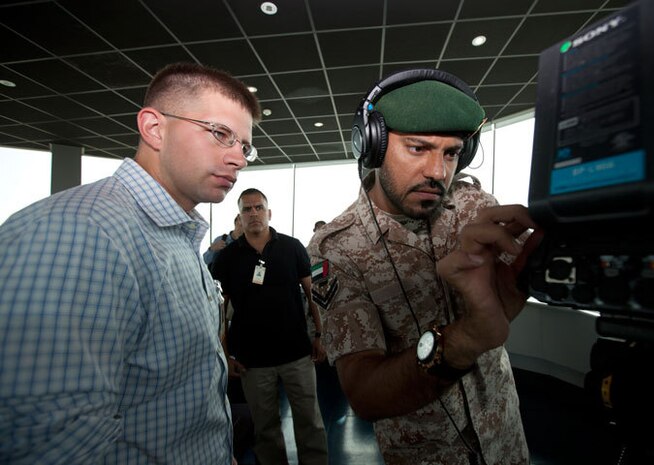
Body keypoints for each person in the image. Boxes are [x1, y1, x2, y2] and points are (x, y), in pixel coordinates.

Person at [0, 62, 261, 464]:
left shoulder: (172, 234)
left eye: (244, 146)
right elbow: (52, 444)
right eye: (220, 134)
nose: (238, 159)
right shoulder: (82, 232)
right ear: (154, 128)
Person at [307, 68, 543, 465]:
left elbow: (523, 281)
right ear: (373, 145)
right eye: (418, 148)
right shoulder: (336, 249)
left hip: (505, 443)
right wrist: (467, 337)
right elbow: (363, 394)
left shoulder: (474, 207)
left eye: (451, 153)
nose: (438, 171)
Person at [211, 188, 328, 465]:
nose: (253, 213)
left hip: (297, 353)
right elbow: (219, 309)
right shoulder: (227, 258)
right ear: (239, 216)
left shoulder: (292, 247)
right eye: (247, 209)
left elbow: (312, 294)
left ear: (269, 213)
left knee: (310, 422)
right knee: (265, 430)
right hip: (252, 360)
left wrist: (320, 334)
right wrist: (225, 354)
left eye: (259, 207)